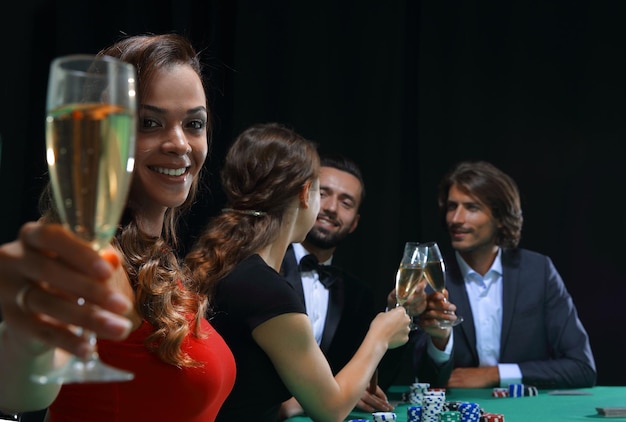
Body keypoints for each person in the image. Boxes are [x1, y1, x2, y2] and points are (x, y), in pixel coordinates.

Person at [0, 33, 236, 421]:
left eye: (194, 123)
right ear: (99, 133)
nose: (179, 143)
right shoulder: (92, 253)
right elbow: (22, 391)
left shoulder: (155, 256)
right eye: (149, 122)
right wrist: (27, 340)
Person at [185, 122, 412, 422]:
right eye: (321, 190)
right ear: (306, 194)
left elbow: (239, 392)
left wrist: (291, 404)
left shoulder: (233, 264)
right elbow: (331, 410)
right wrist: (380, 334)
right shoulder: (266, 290)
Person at [412, 160, 596, 389]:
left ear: (500, 217)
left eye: (472, 207)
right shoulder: (429, 277)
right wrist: (440, 341)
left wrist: (496, 374)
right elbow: (419, 378)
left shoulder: (538, 271)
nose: (456, 219)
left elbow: (582, 367)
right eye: (452, 207)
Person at [278, 153, 399, 417]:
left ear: (355, 222)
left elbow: (372, 379)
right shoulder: (265, 268)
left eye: (346, 202)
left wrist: (397, 311)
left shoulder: (359, 295)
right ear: (303, 196)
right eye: (323, 193)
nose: (332, 208)